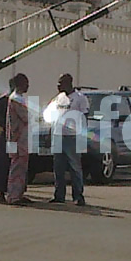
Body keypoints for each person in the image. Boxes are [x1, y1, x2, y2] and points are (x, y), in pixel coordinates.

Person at [50, 73, 89, 207]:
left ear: (69, 83)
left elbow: (84, 117)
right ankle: (59, 195)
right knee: (58, 167)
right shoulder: (58, 98)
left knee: (75, 167)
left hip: (72, 137)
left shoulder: (79, 98)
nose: (58, 86)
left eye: (61, 83)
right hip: (58, 135)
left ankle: (78, 196)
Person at [6, 74, 31, 205]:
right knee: (17, 168)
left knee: (21, 168)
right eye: (25, 83)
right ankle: (13, 196)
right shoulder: (16, 99)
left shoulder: (19, 98)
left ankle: (18, 193)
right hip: (17, 139)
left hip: (19, 139)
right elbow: (26, 118)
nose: (28, 85)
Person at [0, 78, 15, 204]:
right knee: (3, 164)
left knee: (15, 164)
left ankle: (16, 192)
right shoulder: (5, 100)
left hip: (17, 137)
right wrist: (6, 124)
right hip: (6, 136)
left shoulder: (20, 100)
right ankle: (1, 192)